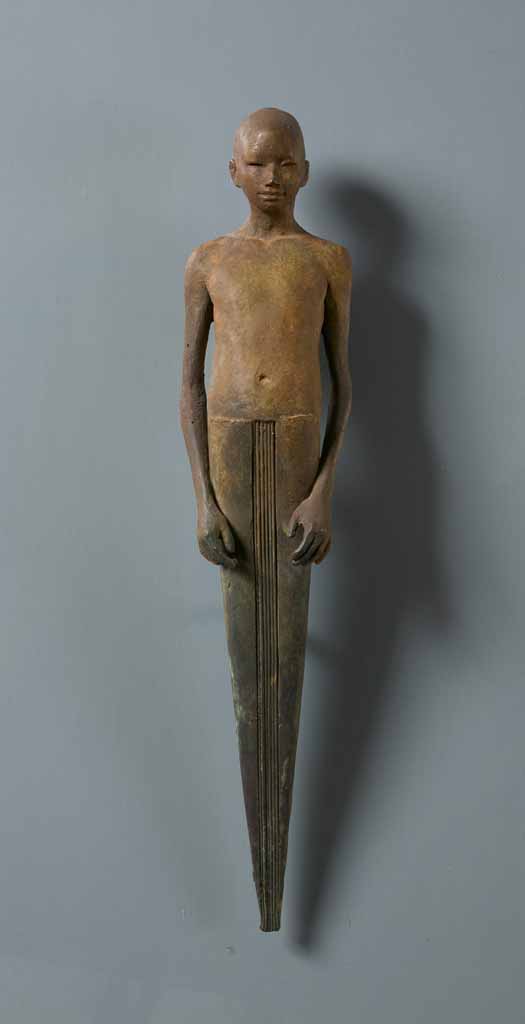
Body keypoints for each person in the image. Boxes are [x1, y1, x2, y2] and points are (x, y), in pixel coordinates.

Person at [180, 107, 352, 931]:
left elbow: (344, 383)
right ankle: (267, 894)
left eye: (285, 163)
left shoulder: (326, 260)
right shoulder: (208, 260)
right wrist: (203, 498)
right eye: (257, 163)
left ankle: (274, 892)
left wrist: (322, 489)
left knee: (283, 656)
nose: (272, 177)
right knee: (246, 655)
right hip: (227, 445)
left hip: (293, 446)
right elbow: (187, 385)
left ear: (305, 171)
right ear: (233, 172)